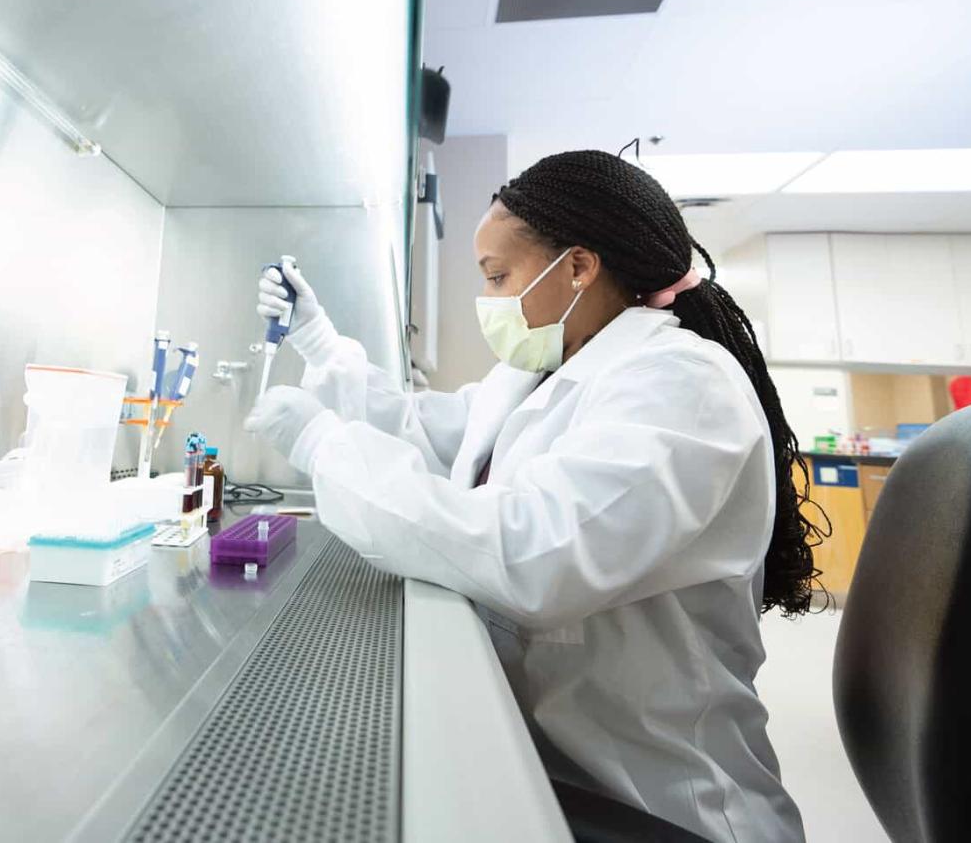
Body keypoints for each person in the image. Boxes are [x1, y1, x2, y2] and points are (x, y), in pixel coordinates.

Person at [245, 149, 820, 843]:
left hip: (653, 798)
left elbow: (533, 552)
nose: (488, 300)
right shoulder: (541, 372)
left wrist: (323, 445)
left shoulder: (681, 384)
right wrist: (320, 344)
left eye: (498, 276)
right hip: (551, 757)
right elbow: (429, 432)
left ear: (578, 267)